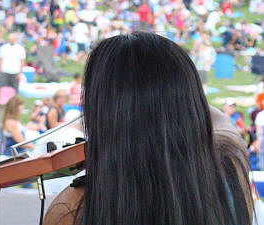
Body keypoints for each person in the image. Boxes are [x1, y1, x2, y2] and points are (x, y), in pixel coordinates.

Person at [43, 32, 253, 225]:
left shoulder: (70, 209)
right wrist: (172, 98)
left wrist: (111, 148)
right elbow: (218, 120)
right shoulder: (229, 171)